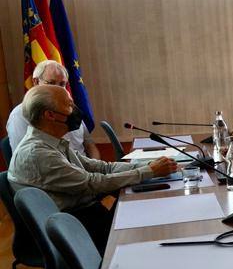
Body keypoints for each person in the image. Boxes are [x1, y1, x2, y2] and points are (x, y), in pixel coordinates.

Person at [7, 85, 177, 249]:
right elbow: (91, 183)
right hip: (74, 226)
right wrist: (149, 171)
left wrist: (147, 166)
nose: (75, 108)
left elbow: (101, 168)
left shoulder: (53, 142)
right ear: (50, 115)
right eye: (69, 104)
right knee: (151, 222)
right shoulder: (39, 154)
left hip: (83, 215)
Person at [6, 60, 100, 159]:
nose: (58, 89)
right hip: (54, 171)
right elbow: (25, 158)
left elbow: (90, 146)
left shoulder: (71, 108)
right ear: (36, 82)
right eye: (51, 83)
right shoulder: (20, 114)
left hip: (85, 168)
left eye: (62, 84)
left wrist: (95, 168)